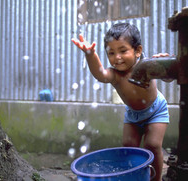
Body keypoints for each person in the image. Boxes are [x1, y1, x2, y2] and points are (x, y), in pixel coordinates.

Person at [72, 22, 169, 181]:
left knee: (153, 145)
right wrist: (90, 54)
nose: (117, 58)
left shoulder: (147, 66)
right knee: (129, 146)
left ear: (138, 51)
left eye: (123, 51)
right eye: (111, 53)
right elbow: (100, 74)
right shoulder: (115, 75)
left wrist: (166, 65)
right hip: (133, 115)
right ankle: (135, 176)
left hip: (156, 110)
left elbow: (169, 77)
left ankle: (156, 179)